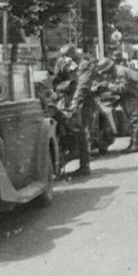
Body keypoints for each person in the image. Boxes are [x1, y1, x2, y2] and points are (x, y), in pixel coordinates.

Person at [56, 44, 95, 177]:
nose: (66, 58)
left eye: (67, 54)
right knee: (70, 130)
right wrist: (60, 67)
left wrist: (74, 103)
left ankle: (85, 166)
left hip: (83, 101)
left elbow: (82, 86)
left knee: (82, 132)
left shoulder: (85, 65)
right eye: (64, 55)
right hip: (68, 100)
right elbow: (56, 79)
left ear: (74, 53)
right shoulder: (68, 65)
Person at [97, 56, 138, 153]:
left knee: (135, 120)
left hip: (134, 97)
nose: (105, 74)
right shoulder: (119, 71)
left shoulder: (121, 72)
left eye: (105, 71)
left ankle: (136, 144)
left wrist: (108, 85)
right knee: (133, 120)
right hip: (131, 97)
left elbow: (122, 88)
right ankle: (134, 143)